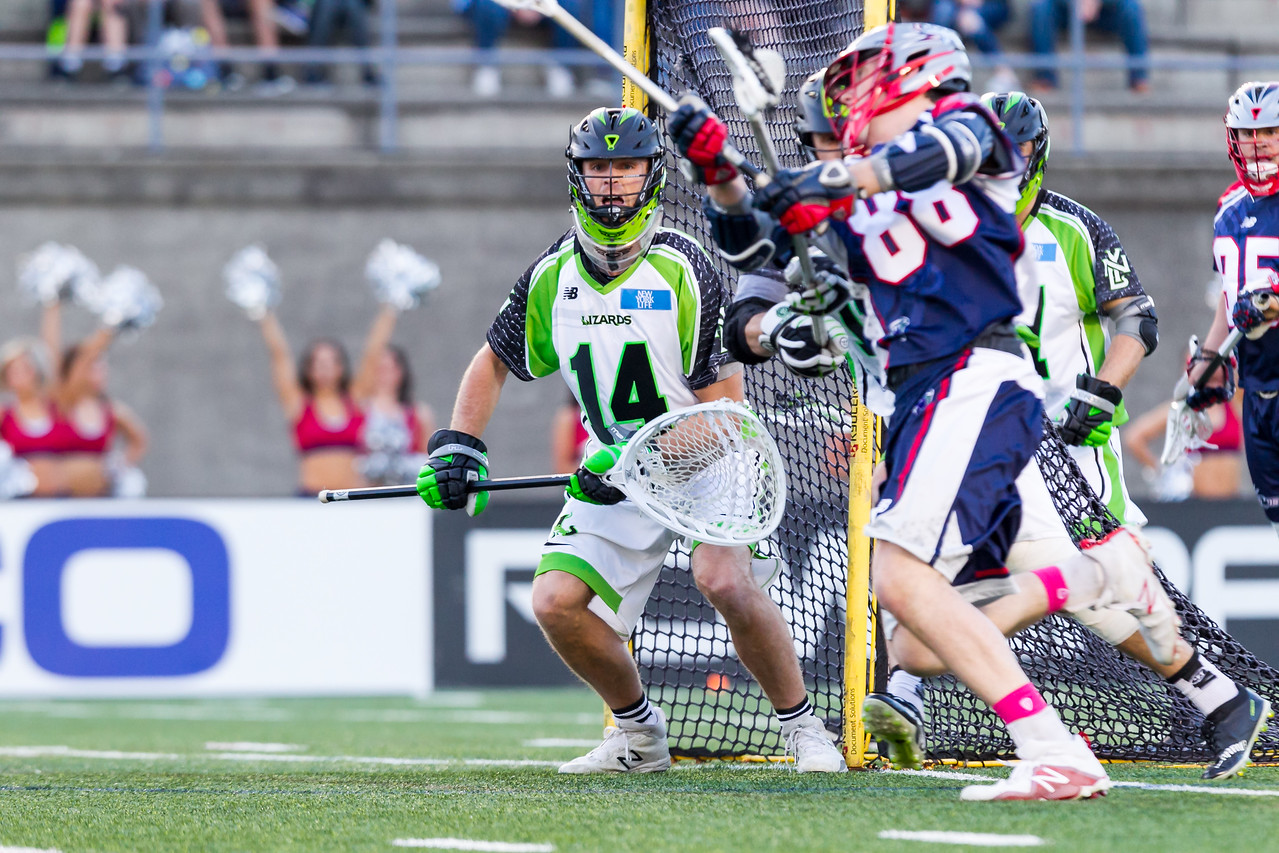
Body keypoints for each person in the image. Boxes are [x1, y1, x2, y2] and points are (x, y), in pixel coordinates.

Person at [670, 22, 1179, 800]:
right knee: (919, 617)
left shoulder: (974, 129)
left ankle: (1052, 744)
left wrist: (823, 184)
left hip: (972, 374)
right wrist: (719, 177)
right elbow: (754, 255)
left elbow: (922, 159)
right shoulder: (857, 193)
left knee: (899, 581)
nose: (845, 120)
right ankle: (1094, 585)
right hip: (918, 398)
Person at [416, 106, 846, 774]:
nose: (611, 182)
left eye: (625, 167)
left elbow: (724, 416)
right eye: (597, 167)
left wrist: (638, 456)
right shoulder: (551, 275)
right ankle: (640, 735)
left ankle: (802, 728)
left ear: (651, 174)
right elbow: (493, 357)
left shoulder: (685, 268)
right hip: (617, 468)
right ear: (576, 176)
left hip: (708, 456)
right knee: (554, 603)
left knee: (724, 580)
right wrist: (457, 443)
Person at [1185, 81, 1279, 540]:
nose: (1257, 142)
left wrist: (1270, 302)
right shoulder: (1228, 208)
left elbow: (1259, 301)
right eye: (1247, 132)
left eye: (1270, 131)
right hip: (1259, 391)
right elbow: (1229, 301)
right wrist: (1209, 362)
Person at [256, 310, 366, 495]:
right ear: (309, 369)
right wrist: (262, 312)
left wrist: (392, 307)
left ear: (340, 367)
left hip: (352, 497)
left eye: (330, 363)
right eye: (318, 364)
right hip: (311, 498)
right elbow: (279, 355)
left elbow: (373, 353)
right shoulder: (298, 404)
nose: (324, 370)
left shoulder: (355, 401)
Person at [349, 305, 435, 486]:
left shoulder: (419, 414)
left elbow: (429, 461)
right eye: (378, 369)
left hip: (405, 497)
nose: (383, 374)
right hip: (367, 496)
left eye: (389, 368)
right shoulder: (358, 408)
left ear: (401, 372)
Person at [1124, 393, 1244, 501]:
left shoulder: (1234, 403)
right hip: (1193, 502)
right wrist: (1163, 472)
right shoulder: (1182, 408)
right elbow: (1134, 438)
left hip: (1231, 501)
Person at [1028, 0, 1149, 93]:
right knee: (1041, 9)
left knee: (1132, 9)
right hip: (1065, 10)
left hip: (1106, 10)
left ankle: (1138, 79)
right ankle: (1045, 78)